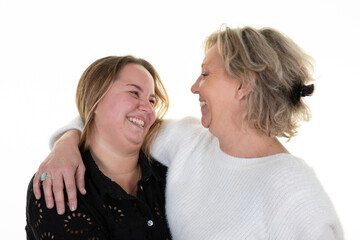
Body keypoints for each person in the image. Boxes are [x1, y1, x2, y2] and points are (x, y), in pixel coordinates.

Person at [33, 26, 343, 239]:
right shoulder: (187, 142)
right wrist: (66, 143)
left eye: (206, 73)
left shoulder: (292, 187)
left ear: (244, 84)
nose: (195, 86)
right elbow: (113, 119)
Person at [26, 56, 172, 239]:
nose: (148, 109)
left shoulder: (170, 173)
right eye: (134, 93)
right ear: (96, 97)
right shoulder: (58, 183)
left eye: (152, 101)